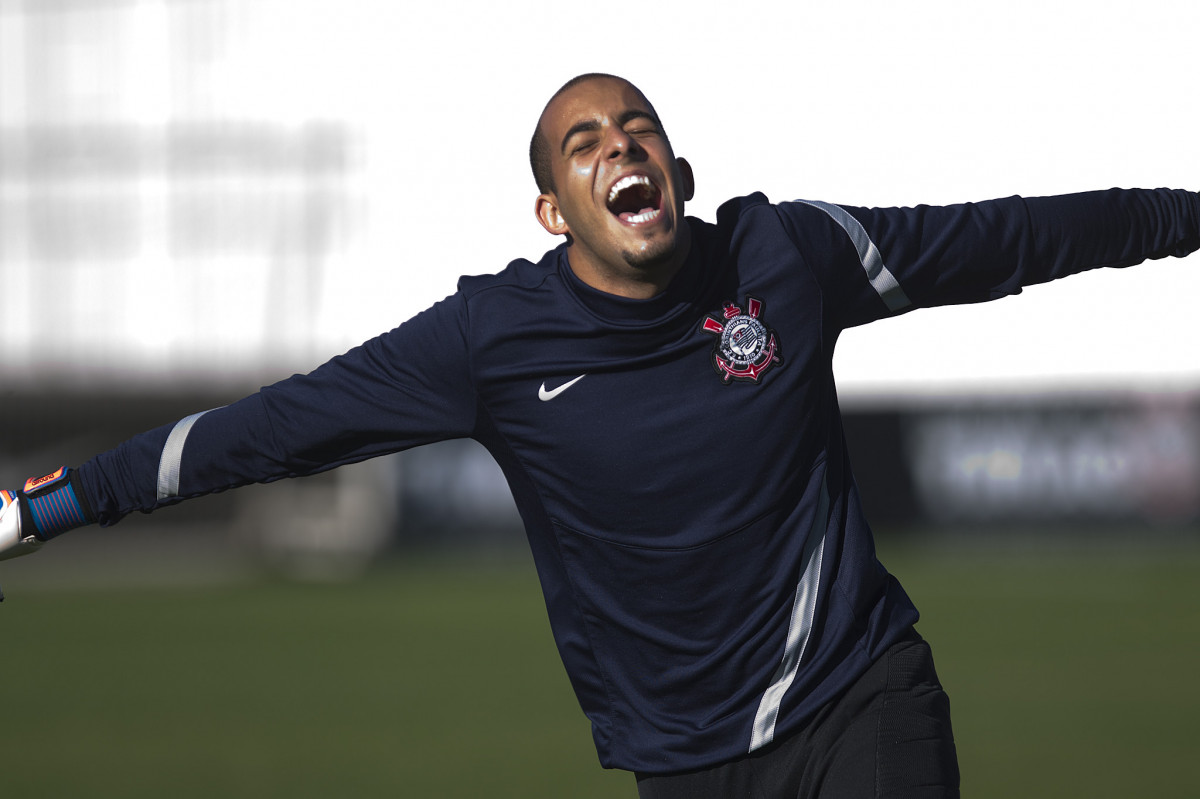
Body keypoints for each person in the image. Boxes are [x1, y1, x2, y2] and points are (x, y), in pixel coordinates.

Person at [2, 72, 1198, 798]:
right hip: (677, 760)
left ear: (677, 170)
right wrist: (48, 507)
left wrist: (1182, 216)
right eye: (585, 143)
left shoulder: (785, 257)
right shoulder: (490, 340)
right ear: (553, 208)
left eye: (638, 130)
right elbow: (268, 431)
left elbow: (1012, 238)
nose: (619, 145)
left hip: (859, 697)